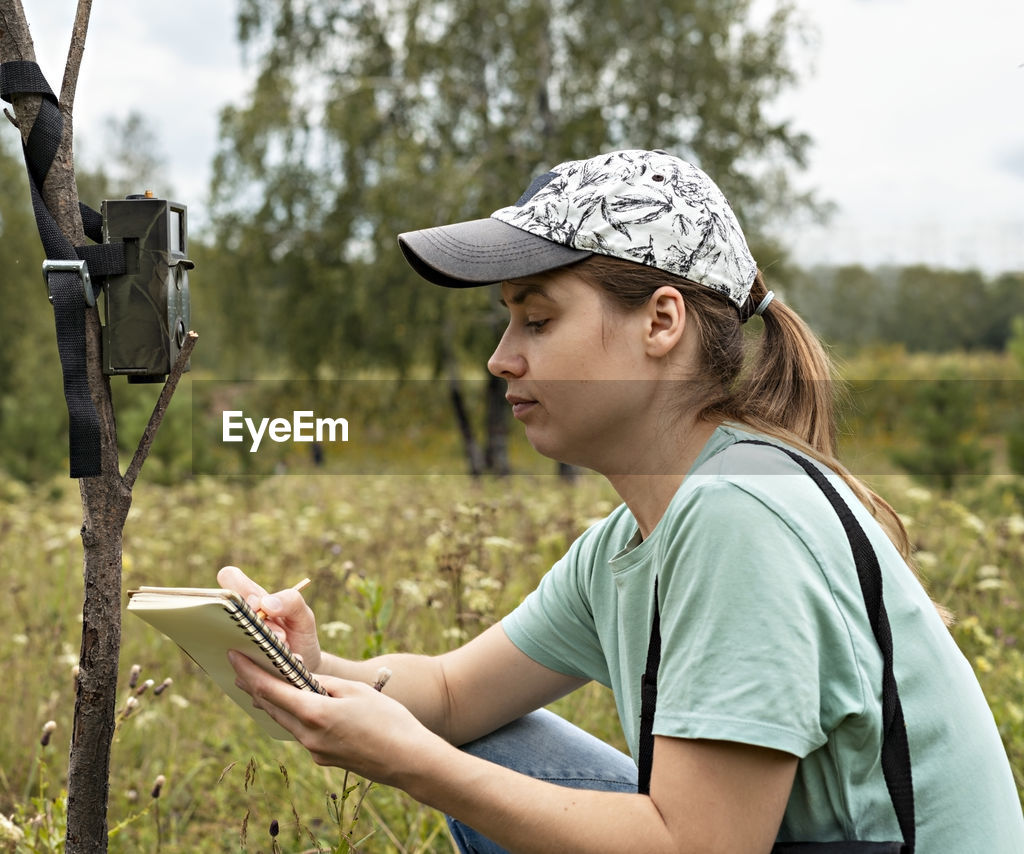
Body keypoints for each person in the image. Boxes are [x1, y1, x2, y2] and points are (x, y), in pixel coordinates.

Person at [223, 149, 1024, 853]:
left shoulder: (737, 513)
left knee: (461, 764)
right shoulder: (633, 539)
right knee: (489, 743)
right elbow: (454, 692)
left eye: (537, 318)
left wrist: (418, 765)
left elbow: (704, 848)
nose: (502, 359)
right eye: (508, 323)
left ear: (662, 322)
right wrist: (310, 664)